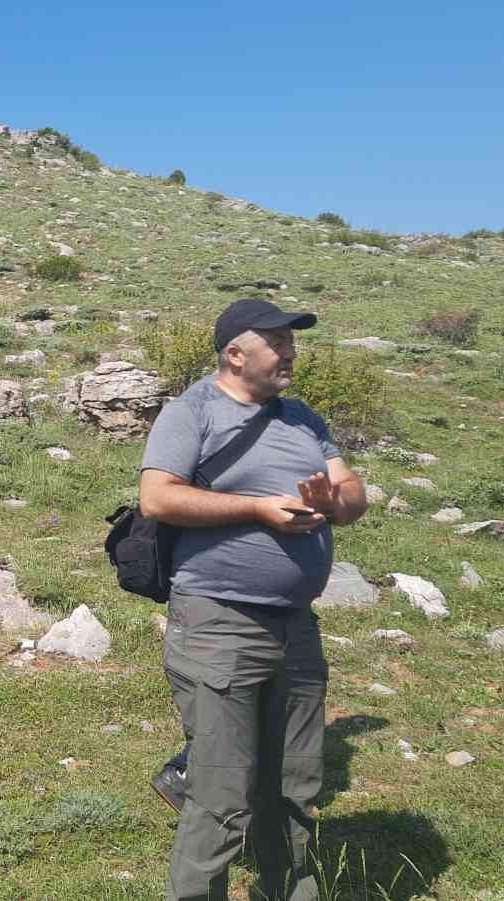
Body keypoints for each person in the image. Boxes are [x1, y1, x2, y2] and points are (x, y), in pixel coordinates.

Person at [139, 298, 367, 901]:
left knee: (293, 787)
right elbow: (158, 499)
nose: (291, 351)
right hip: (218, 621)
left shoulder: (304, 418)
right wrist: (258, 508)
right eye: (278, 341)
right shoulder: (191, 412)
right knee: (220, 795)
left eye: (292, 341)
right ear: (236, 353)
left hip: (295, 626)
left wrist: (333, 502)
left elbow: (351, 492)